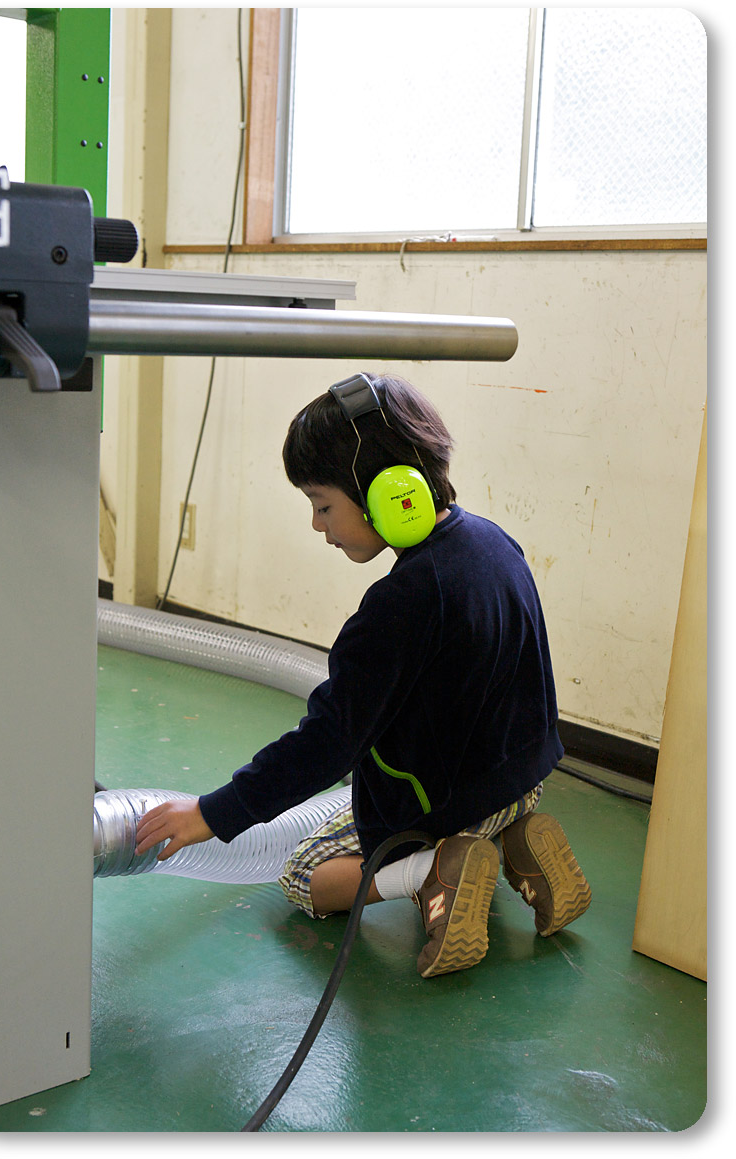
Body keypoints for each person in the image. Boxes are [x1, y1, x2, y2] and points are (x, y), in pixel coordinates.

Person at [135, 372, 591, 978]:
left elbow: (328, 743)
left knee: (303, 875)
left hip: (441, 810)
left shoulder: (398, 604)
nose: (317, 524)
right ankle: (515, 839)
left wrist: (213, 814)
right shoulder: (494, 543)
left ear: (386, 492)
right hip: (522, 781)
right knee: (474, 804)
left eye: (323, 505)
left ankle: (432, 871)